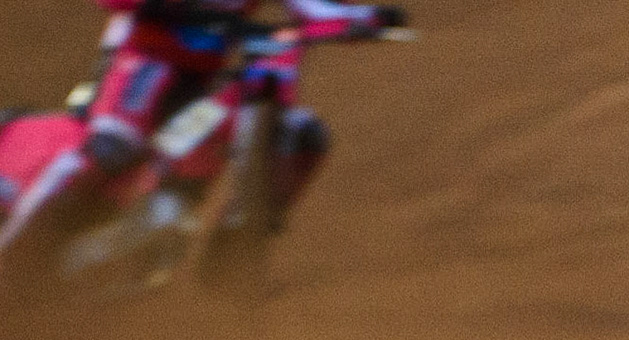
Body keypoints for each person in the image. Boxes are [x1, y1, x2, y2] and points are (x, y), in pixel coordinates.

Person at [0, 0, 406, 269]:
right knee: (113, 147)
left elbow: (315, 8)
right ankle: (15, 254)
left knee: (303, 138)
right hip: (145, 57)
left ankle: (235, 250)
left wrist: (367, 19)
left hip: (207, 75)